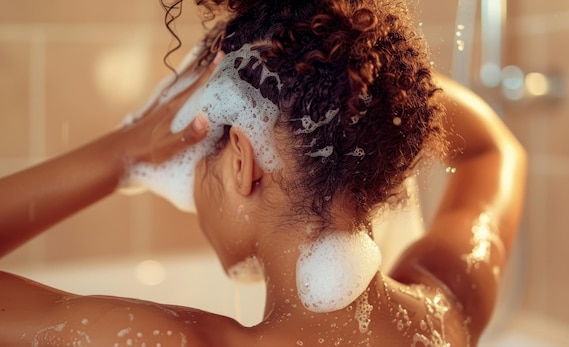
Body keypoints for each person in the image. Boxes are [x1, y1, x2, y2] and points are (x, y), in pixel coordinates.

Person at [0, 0, 527, 346]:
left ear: (239, 162)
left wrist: (122, 154)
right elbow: (493, 148)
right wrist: (364, 72)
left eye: (201, 153)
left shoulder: (167, 340)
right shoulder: (445, 316)